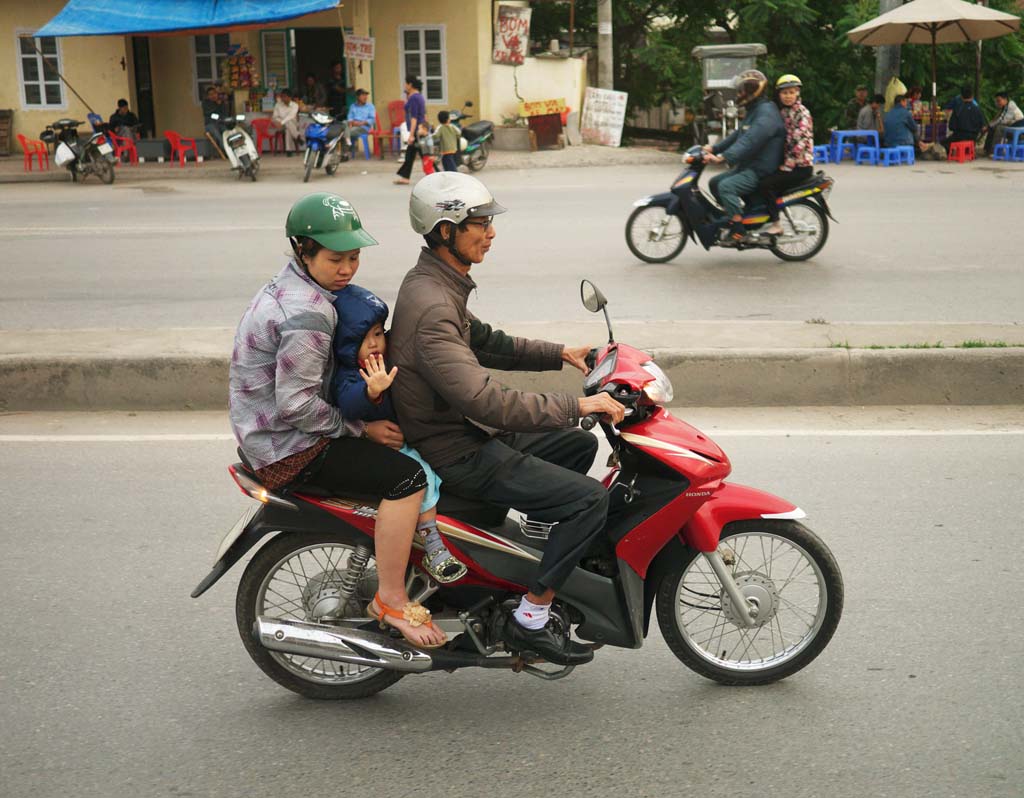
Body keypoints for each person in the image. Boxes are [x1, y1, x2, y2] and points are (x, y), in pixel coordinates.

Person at [388, 172, 625, 665]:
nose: (491, 233)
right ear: (446, 230)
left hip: (464, 430)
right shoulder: (433, 307)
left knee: (577, 446)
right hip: (459, 450)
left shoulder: (435, 282)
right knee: (588, 502)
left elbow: (488, 342)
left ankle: (528, 560)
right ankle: (530, 619)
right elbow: (485, 401)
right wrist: (579, 404)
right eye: (480, 223)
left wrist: (561, 353)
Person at [229, 192, 447, 649]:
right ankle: (389, 598)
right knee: (406, 478)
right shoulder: (308, 314)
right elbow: (296, 407)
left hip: (271, 433)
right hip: (289, 448)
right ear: (302, 249)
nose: (347, 269)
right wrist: (362, 429)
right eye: (335, 258)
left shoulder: (295, 286)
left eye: (354, 257)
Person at [331, 284, 468, 584]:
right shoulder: (350, 374)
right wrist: (371, 391)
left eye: (378, 334)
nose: (374, 344)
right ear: (344, 344)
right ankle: (432, 542)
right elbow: (348, 401)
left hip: (403, 438)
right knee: (421, 475)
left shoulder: (389, 359)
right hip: (378, 448)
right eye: (361, 339)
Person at [703, 69, 785, 245]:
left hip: (760, 168)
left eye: (741, 91)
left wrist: (723, 157)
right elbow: (739, 134)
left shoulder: (766, 114)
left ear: (752, 91)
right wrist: (714, 148)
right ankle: (737, 215)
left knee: (726, 187)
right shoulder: (755, 109)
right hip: (750, 164)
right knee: (715, 182)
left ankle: (739, 229)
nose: (738, 94)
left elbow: (749, 141)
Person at [757, 75, 814, 237]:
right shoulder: (784, 111)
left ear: (797, 93)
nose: (788, 96)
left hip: (800, 166)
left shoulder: (802, 113)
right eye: (784, 93)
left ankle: (776, 223)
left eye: (791, 92)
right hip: (789, 164)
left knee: (766, 184)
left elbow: (799, 144)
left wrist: (786, 166)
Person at [394, 76, 429, 185]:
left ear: (410, 85)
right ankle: (405, 177)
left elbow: (414, 117)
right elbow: (424, 114)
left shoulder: (414, 98)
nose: (405, 86)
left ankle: (435, 174)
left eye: (406, 84)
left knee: (424, 154)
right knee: (411, 153)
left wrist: (411, 134)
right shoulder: (420, 97)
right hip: (420, 129)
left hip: (417, 130)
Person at [943, 86, 985, 150]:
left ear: (961, 96)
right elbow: (981, 125)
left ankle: (952, 154)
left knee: (944, 142)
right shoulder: (977, 109)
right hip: (973, 137)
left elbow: (951, 126)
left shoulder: (957, 108)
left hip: (959, 136)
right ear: (972, 96)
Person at [343, 89, 376, 157]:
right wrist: (351, 122)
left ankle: (345, 152)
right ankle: (348, 141)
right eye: (363, 95)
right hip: (353, 125)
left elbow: (372, 119)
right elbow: (350, 117)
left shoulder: (370, 106)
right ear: (357, 97)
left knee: (346, 131)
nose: (365, 97)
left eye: (366, 95)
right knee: (343, 122)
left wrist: (361, 123)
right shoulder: (353, 106)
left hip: (363, 127)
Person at [270, 88, 302, 155]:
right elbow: (275, 116)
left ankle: (288, 150)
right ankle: (297, 136)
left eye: (285, 96)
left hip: (292, 124)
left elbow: (291, 116)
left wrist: (282, 122)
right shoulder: (278, 105)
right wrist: (280, 122)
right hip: (279, 125)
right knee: (288, 123)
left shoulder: (295, 105)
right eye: (282, 96)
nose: (283, 98)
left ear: (290, 97)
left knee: (288, 125)